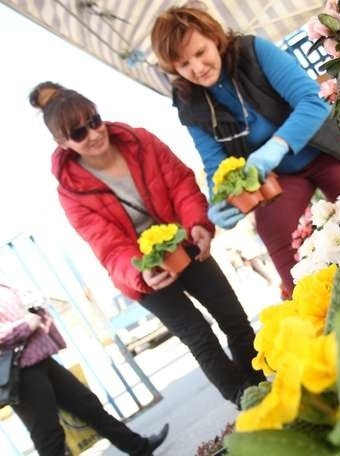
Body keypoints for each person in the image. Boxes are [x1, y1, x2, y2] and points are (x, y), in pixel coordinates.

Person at [29, 82, 264, 408]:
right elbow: (107, 246)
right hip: (145, 271)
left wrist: (197, 224)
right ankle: (249, 402)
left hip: (184, 243)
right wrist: (142, 275)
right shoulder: (70, 191)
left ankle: (263, 386)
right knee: (199, 337)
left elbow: (181, 182)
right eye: (79, 133)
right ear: (63, 142)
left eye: (94, 121)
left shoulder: (140, 140)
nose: (94, 134)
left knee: (235, 319)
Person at [150, 5, 340, 296]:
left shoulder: (252, 51)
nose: (197, 68)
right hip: (278, 177)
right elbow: (215, 162)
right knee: (276, 237)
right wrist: (221, 201)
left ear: (213, 38)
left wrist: (275, 147)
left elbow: (311, 102)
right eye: (183, 64)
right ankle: (312, 312)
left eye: (200, 53)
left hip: (324, 149)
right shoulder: (189, 101)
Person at [0, 283, 169, 455]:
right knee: (48, 433)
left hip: (42, 359)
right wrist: (26, 325)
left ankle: (139, 447)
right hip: (19, 373)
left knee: (88, 406)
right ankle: (139, 447)